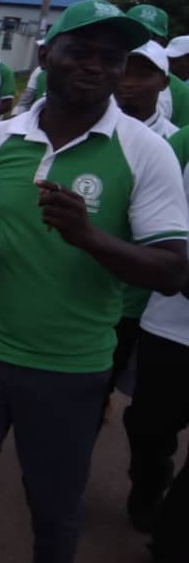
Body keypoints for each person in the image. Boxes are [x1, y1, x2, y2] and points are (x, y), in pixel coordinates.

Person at [0, 0, 189, 563]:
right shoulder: (1, 139)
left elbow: (173, 270)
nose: (95, 65)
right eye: (81, 51)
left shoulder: (147, 153)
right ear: (47, 55)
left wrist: (89, 236)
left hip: (71, 368)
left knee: (53, 511)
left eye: (112, 57)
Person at [123, 125, 189, 562]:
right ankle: (150, 481)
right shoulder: (182, 143)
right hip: (173, 322)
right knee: (149, 426)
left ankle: (171, 539)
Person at [110, 40, 180, 408]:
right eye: (124, 69)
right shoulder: (88, 130)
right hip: (79, 287)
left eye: (143, 74)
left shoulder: (172, 144)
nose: (129, 82)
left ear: (164, 82)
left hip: (135, 303)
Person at [130, 4, 189, 128]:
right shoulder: (97, 75)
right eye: (135, 33)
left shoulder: (181, 93)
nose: (142, 41)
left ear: (163, 42)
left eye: (151, 36)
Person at [12, 40, 45, 115]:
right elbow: (27, 98)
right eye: (40, 49)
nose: (42, 53)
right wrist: (16, 116)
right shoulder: (38, 71)